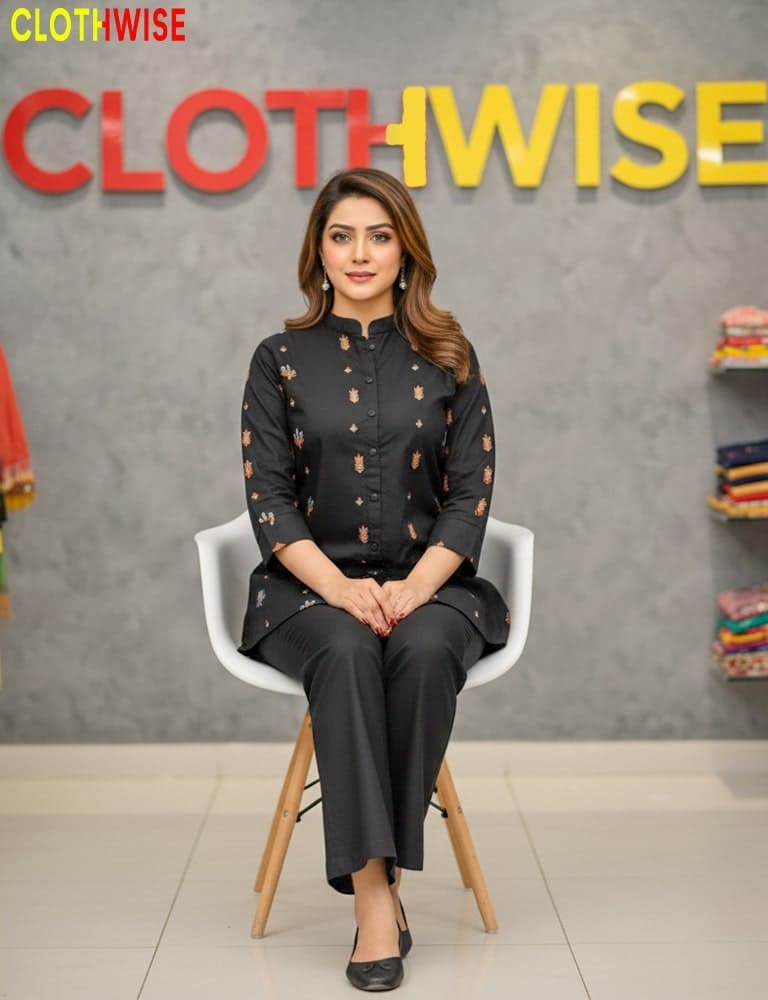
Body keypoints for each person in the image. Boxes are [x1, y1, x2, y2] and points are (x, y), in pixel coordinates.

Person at [239, 167, 509, 992]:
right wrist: (344, 590)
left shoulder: (451, 354)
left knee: (424, 654)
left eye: (379, 235)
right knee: (349, 650)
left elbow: (471, 495)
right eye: (342, 235)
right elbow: (270, 500)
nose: (361, 254)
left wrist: (414, 588)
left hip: (433, 583)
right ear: (318, 251)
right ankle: (375, 900)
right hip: (306, 590)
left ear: (406, 250)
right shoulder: (278, 359)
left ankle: (375, 878)